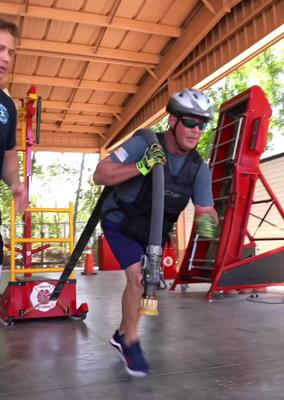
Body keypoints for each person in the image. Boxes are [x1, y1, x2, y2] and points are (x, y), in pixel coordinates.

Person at [93, 88, 218, 377]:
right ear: (173, 121)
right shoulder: (143, 143)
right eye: (190, 122)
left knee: (146, 283)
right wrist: (141, 166)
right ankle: (130, 341)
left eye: (202, 124)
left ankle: (121, 333)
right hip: (120, 221)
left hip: (152, 232)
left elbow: (204, 211)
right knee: (138, 279)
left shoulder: (199, 169)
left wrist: (210, 226)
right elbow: (101, 174)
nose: (196, 130)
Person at [0, 17, 27, 376]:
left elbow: (9, 155)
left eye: (10, 52)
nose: (6, 58)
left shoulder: (5, 106)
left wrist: (15, 184)